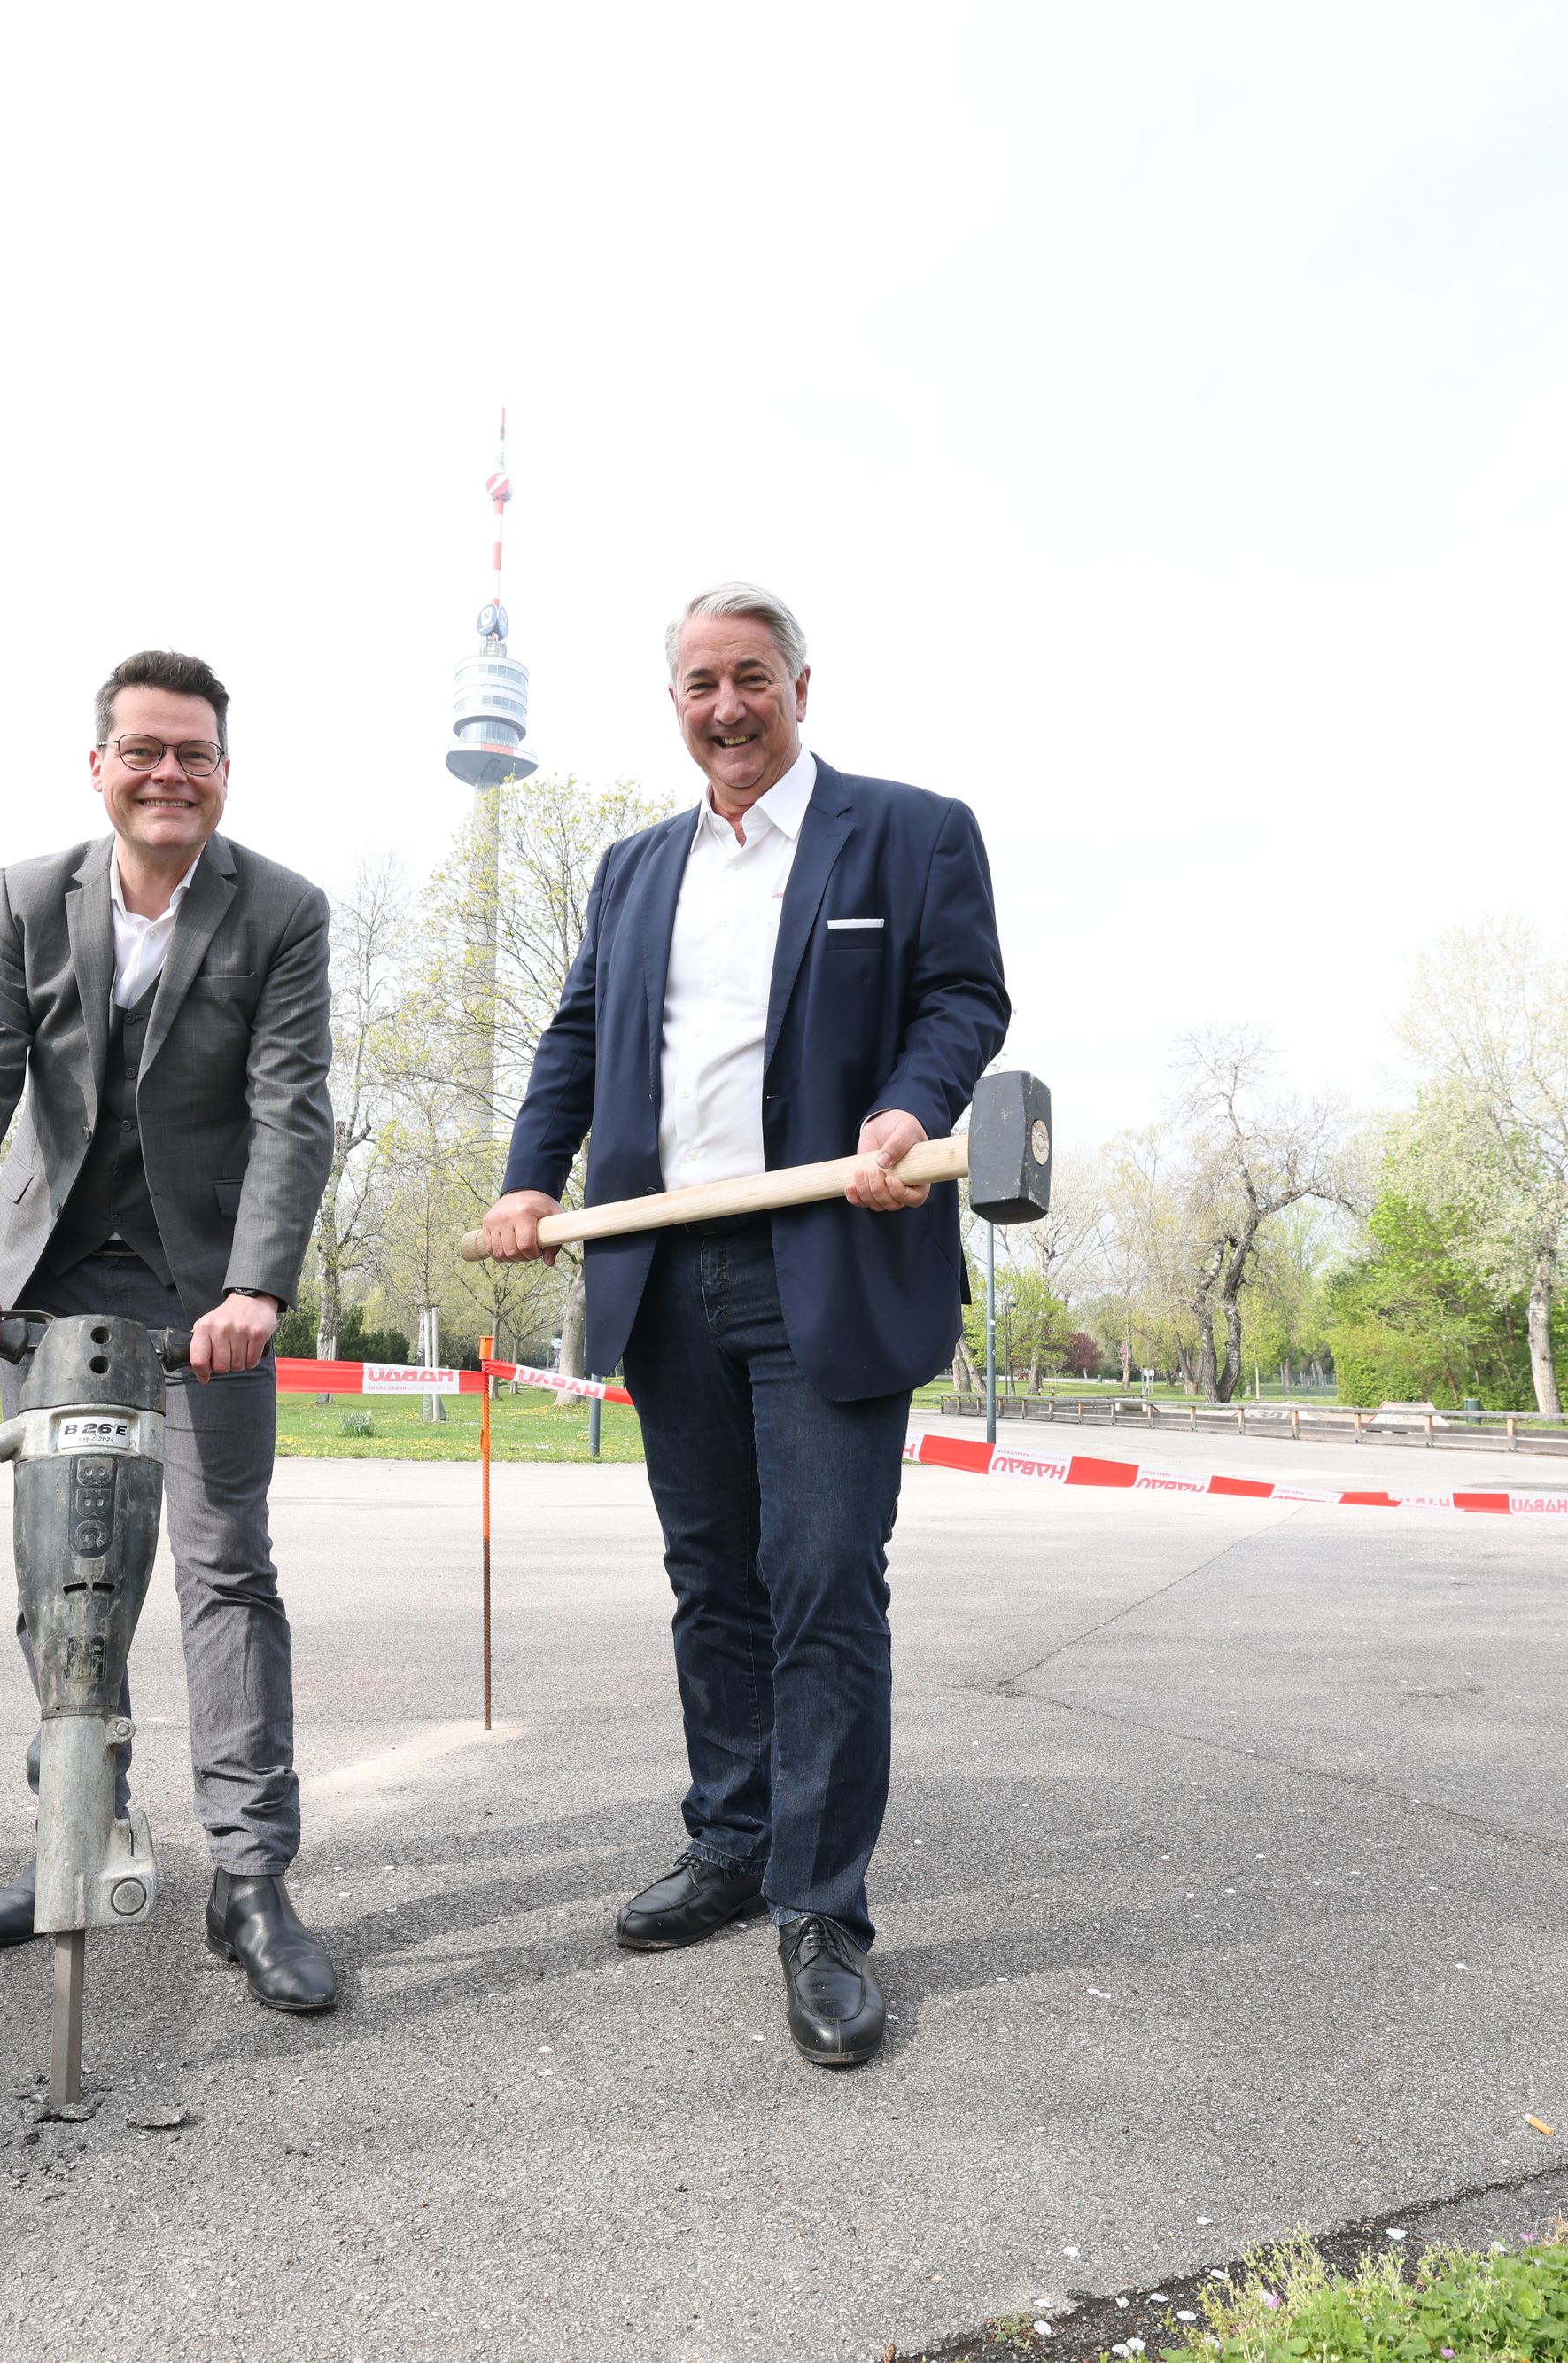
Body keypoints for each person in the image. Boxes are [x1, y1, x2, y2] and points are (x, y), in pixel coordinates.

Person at [481, 582, 1009, 2067]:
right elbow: (579, 1035)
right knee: (713, 1577)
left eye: (752, 679)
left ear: (799, 685)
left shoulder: (909, 833)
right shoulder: (632, 869)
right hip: (664, 1267)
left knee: (823, 1577)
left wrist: (912, 1108)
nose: (728, 706)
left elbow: (964, 1000)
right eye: (701, 683)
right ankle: (730, 1844)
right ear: (675, 704)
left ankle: (822, 1906)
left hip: (831, 1256)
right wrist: (532, 1181)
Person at [0, 648, 340, 2013]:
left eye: (195, 754)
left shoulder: (281, 911)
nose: (170, 775)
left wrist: (258, 1289)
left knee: (227, 1570)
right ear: (98, 766)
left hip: (203, 1289)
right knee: (62, 1581)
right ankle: (72, 1835)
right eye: (144, 751)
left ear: (224, 772)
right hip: (48, 1285)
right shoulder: (27, 901)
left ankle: (251, 1882)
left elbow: (291, 1109)